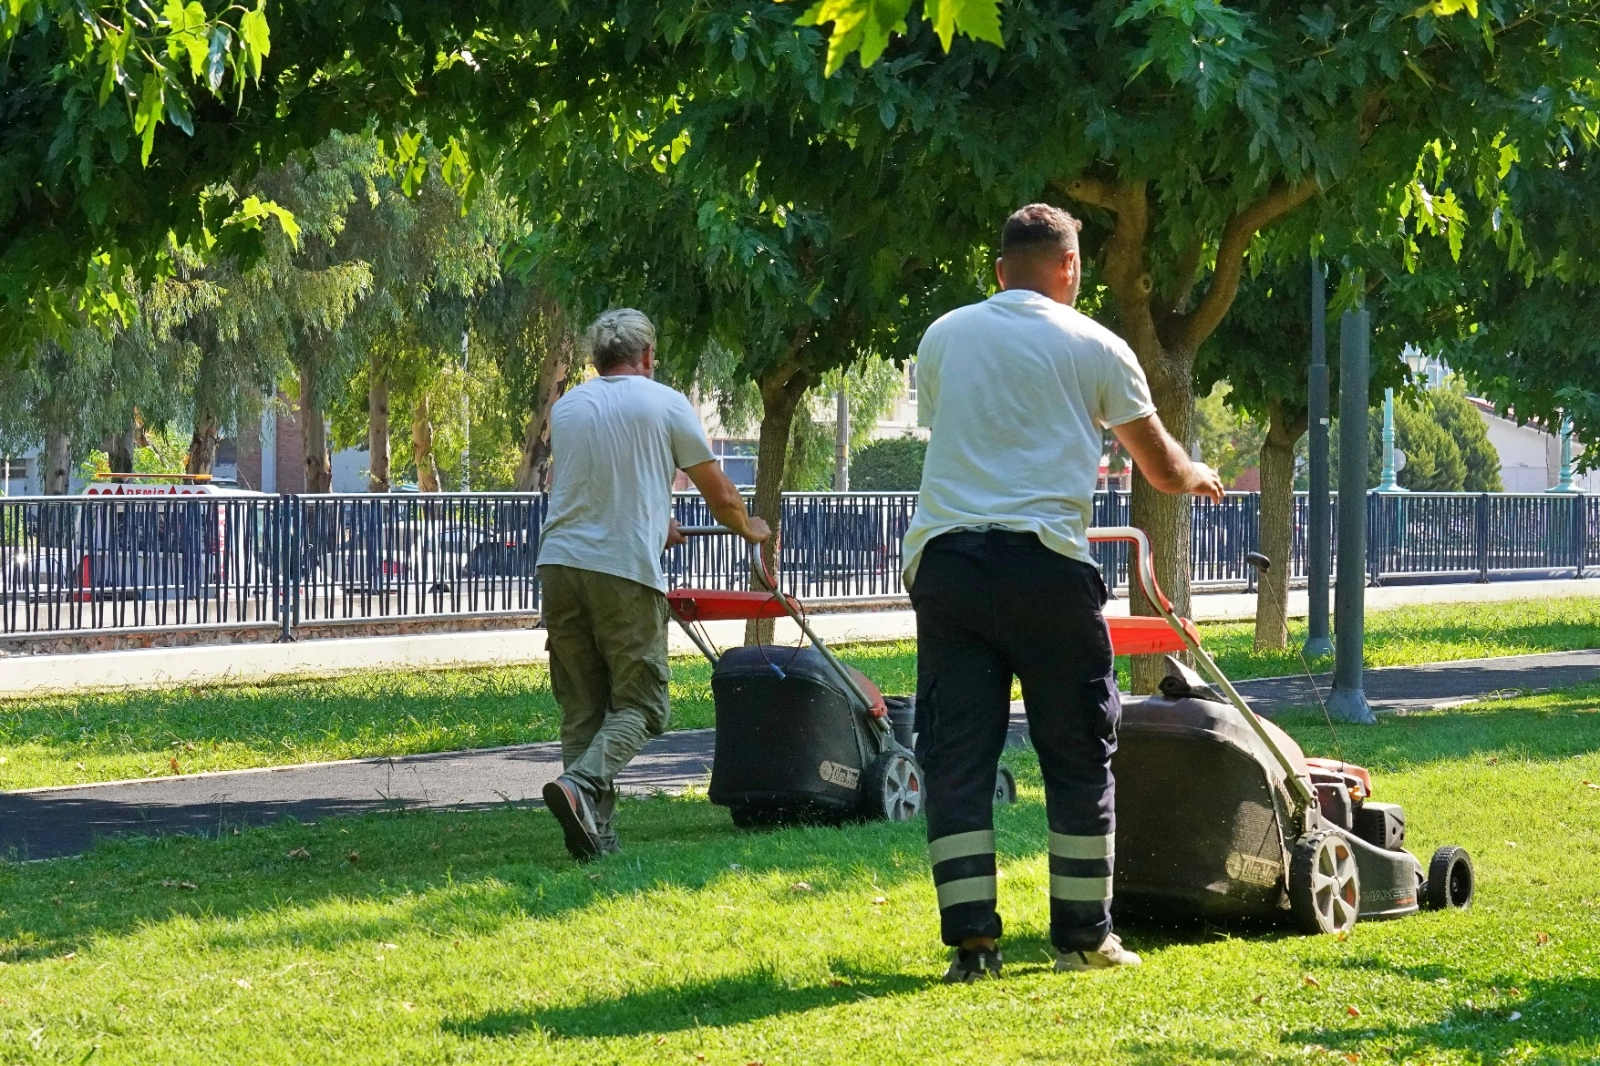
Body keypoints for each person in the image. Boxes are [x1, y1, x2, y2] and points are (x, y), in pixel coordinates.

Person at [901, 204, 1225, 982]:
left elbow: (960, 431)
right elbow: (1158, 468)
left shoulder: (943, 336)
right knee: (1079, 755)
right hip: (1048, 570)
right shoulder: (1098, 345)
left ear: (999, 267)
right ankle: (1083, 938)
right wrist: (1197, 474)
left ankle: (972, 948)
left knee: (956, 759)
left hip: (948, 568)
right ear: (1071, 268)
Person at [536, 308, 769, 861]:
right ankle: (580, 786)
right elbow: (722, 494)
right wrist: (749, 526)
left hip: (559, 565)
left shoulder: (567, 408)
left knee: (583, 707)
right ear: (646, 356)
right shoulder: (664, 402)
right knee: (644, 704)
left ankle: (597, 838)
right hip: (622, 570)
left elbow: (601, 482)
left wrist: (657, 521)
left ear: (598, 359)